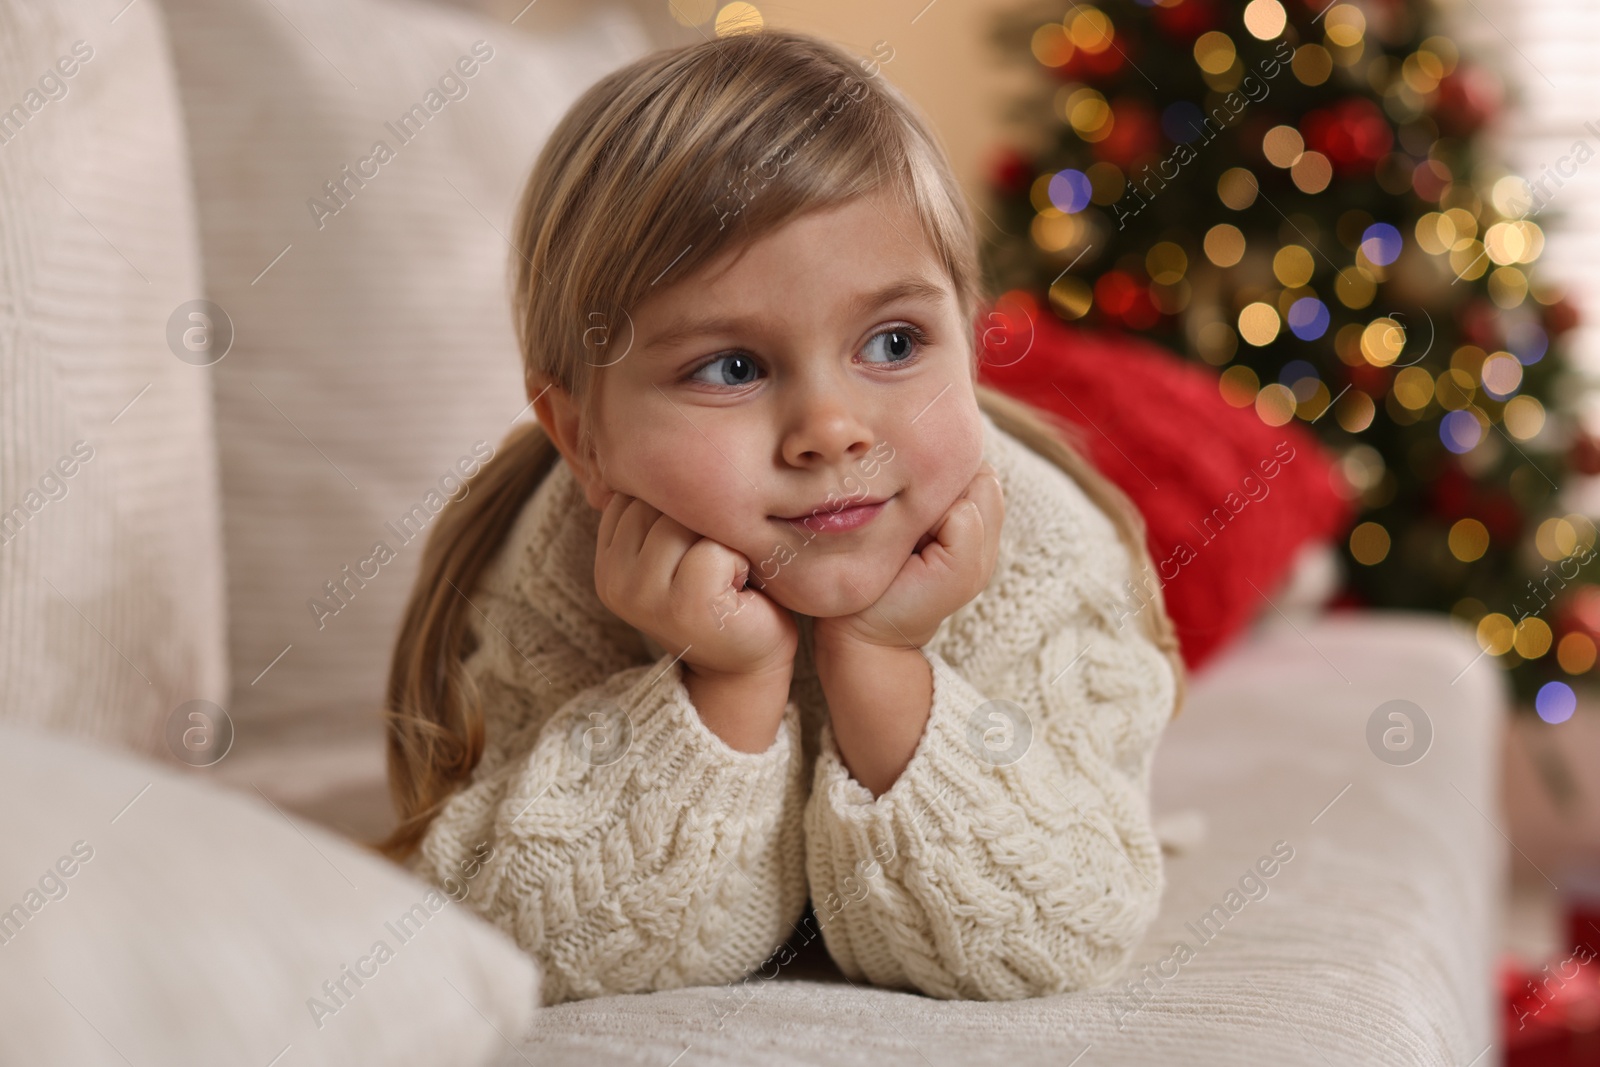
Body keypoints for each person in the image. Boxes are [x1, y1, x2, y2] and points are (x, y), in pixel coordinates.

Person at [374, 27, 1186, 1007]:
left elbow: (1053, 932)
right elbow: (526, 939)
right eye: (732, 367)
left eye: (893, 340)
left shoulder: (1039, 548)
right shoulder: (557, 570)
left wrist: (885, 667)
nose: (831, 430)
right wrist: (723, 690)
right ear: (583, 437)